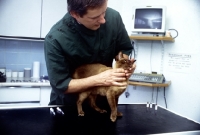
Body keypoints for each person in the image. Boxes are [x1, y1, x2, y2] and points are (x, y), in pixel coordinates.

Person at [44, 0, 136, 107]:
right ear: (75, 14)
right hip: (70, 106)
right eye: (95, 17)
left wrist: (123, 68)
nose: (103, 20)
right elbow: (62, 85)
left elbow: (123, 49)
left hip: (104, 101)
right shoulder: (55, 39)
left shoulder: (114, 17)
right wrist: (98, 80)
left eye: (104, 12)